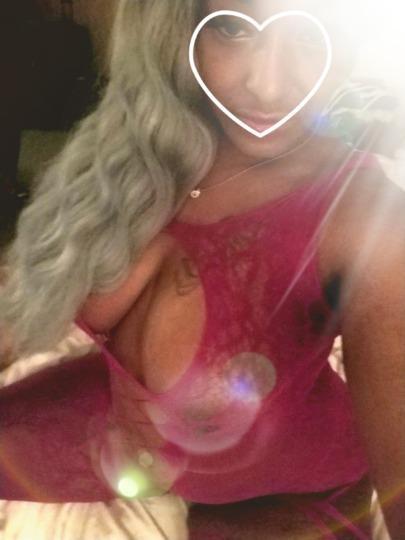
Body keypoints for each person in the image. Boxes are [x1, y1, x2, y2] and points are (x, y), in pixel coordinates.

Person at [0, 0, 404, 538]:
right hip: (119, 430)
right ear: (182, 29)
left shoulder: (369, 220)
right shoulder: (138, 153)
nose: (267, 85)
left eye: (313, 36)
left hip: (292, 483)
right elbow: (28, 295)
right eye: (233, 29)